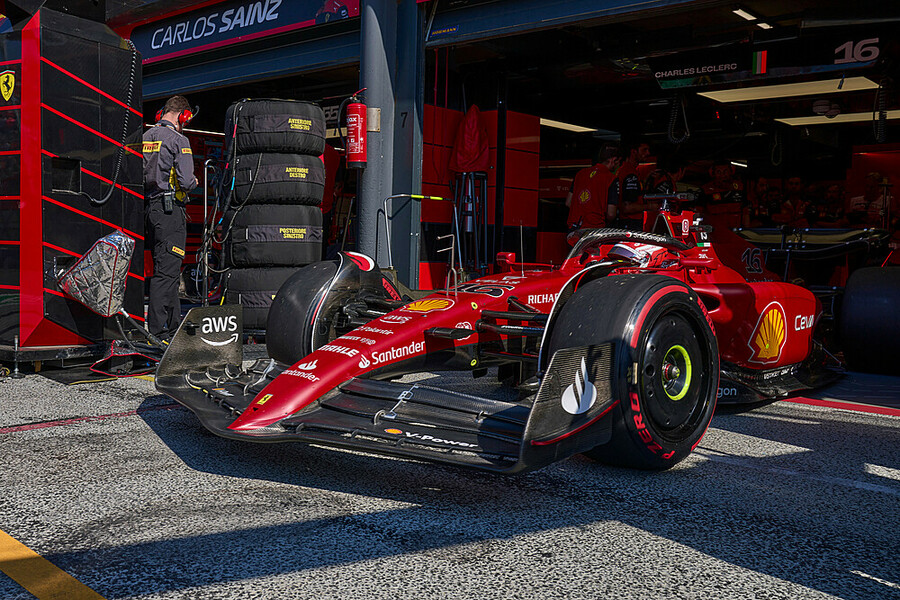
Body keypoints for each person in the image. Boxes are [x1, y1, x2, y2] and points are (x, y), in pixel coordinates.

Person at [143, 95, 198, 338]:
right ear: (183, 116)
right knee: (166, 273)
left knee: (168, 269)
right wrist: (194, 182)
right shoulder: (179, 140)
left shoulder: (144, 137)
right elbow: (186, 181)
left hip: (149, 210)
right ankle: (158, 333)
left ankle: (173, 328)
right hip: (170, 211)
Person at [566, 144, 620, 235]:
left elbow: (568, 202)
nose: (619, 165)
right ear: (613, 160)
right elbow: (611, 214)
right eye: (619, 161)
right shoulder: (611, 179)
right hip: (594, 230)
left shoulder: (580, 174)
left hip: (574, 228)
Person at [700, 160, 746, 229]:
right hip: (714, 231)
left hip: (736, 232)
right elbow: (699, 212)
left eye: (725, 171)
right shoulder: (706, 190)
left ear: (731, 171)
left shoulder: (740, 187)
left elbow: (746, 212)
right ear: (713, 173)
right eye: (718, 172)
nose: (722, 175)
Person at [617, 139, 651, 229]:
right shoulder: (629, 172)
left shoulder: (626, 170)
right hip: (630, 223)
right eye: (644, 150)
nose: (648, 153)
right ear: (633, 152)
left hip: (627, 222)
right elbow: (627, 207)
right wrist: (651, 206)